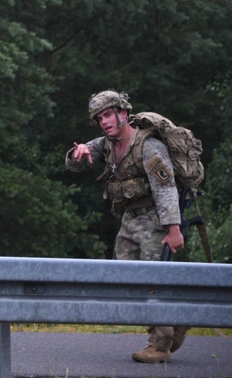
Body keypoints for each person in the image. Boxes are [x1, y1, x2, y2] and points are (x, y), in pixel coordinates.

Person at [65, 89, 189, 363]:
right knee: (126, 280)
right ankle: (177, 320)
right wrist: (76, 154)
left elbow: (165, 187)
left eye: (108, 115)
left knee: (152, 282)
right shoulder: (107, 144)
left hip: (155, 221)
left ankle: (160, 345)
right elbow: (77, 163)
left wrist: (173, 229)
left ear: (123, 113)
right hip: (129, 221)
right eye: (99, 118)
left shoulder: (148, 145)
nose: (104, 122)